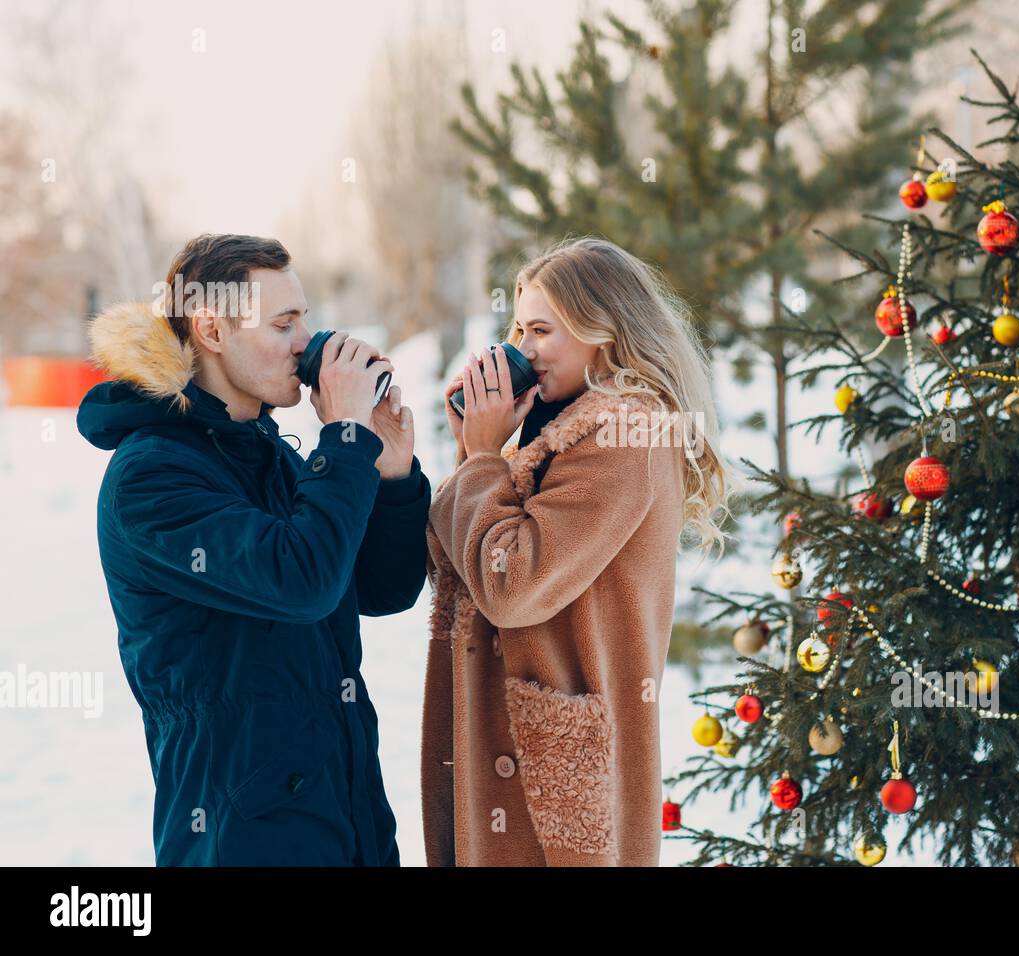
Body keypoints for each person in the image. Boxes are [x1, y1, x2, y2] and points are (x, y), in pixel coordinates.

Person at [76, 234, 430, 865]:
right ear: (212, 330)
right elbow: (303, 581)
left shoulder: (270, 454)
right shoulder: (152, 477)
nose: (304, 342)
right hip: (240, 834)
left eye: (305, 321)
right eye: (283, 324)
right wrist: (343, 439)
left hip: (344, 811)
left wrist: (392, 476)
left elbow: (380, 588)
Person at [422, 236, 731, 866]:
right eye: (518, 327)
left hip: (554, 781)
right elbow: (460, 564)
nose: (522, 349)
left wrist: (483, 461)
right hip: (509, 757)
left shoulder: (626, 432)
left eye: (542, 329)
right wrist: (475, 453)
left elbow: (512, 584)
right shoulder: (549, 434)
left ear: (605, 332)